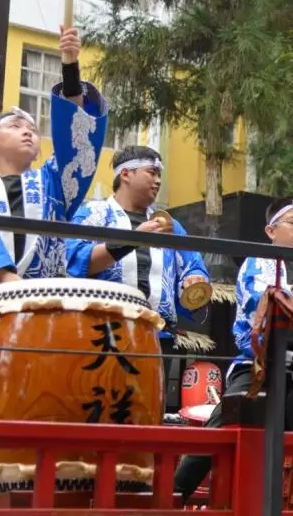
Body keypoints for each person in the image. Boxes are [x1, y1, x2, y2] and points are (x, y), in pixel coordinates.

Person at [172, 196, 293, 501]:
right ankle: (174, 492)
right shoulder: (257, 264)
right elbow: (265, 307)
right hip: (257, 364)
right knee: (221, 426)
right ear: (271, 230)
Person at [0, 25, 109, 305]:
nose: (27, 132)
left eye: (33, 130)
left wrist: (70, 67)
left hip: (44, 304)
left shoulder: (53, 182)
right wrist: (5, 277)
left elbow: (76, 143)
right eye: (15, 126)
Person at [65, 145, 210, 390]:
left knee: (149, 408)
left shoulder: (169, 225)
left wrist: (195, 279)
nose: (158, 180)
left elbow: (192, 263)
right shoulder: (93, 213)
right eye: (151, 172)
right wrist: (131, 239)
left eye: (159, 175)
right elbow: (77, 262)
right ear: (126, 174)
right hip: (102, 331)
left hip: (156, 334)